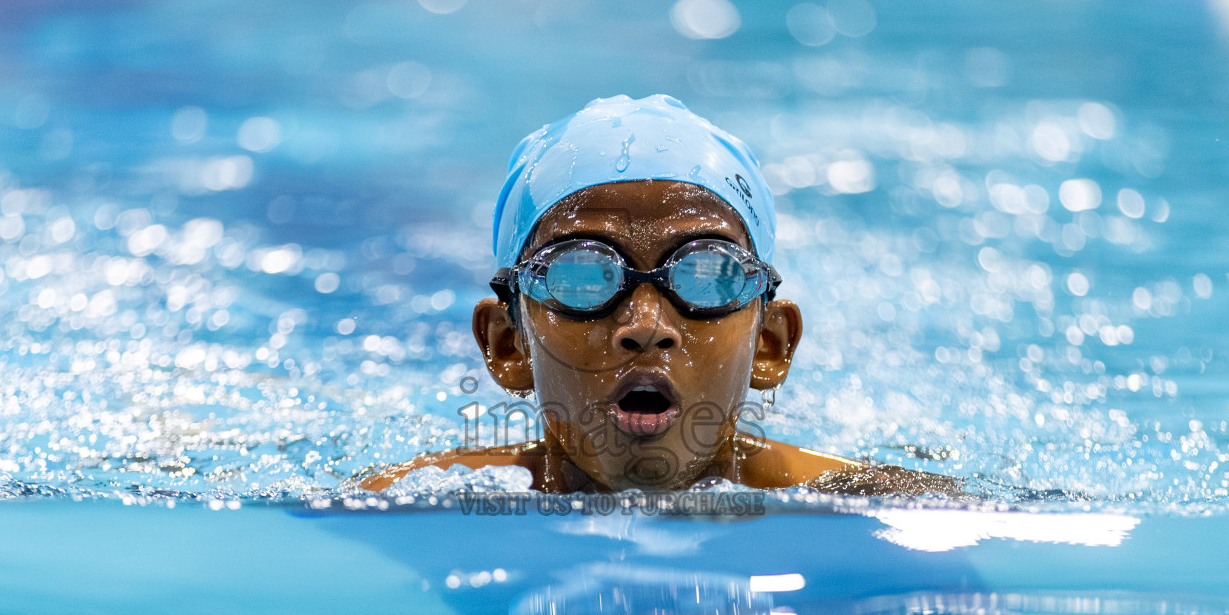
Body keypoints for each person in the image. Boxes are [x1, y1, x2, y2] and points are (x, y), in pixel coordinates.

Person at [359, 94, 957, 496]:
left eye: (705, 274)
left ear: (770, 345)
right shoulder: (407, 503)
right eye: (583, 275)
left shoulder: (890, 510)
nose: (645, 324)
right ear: (508, 343)